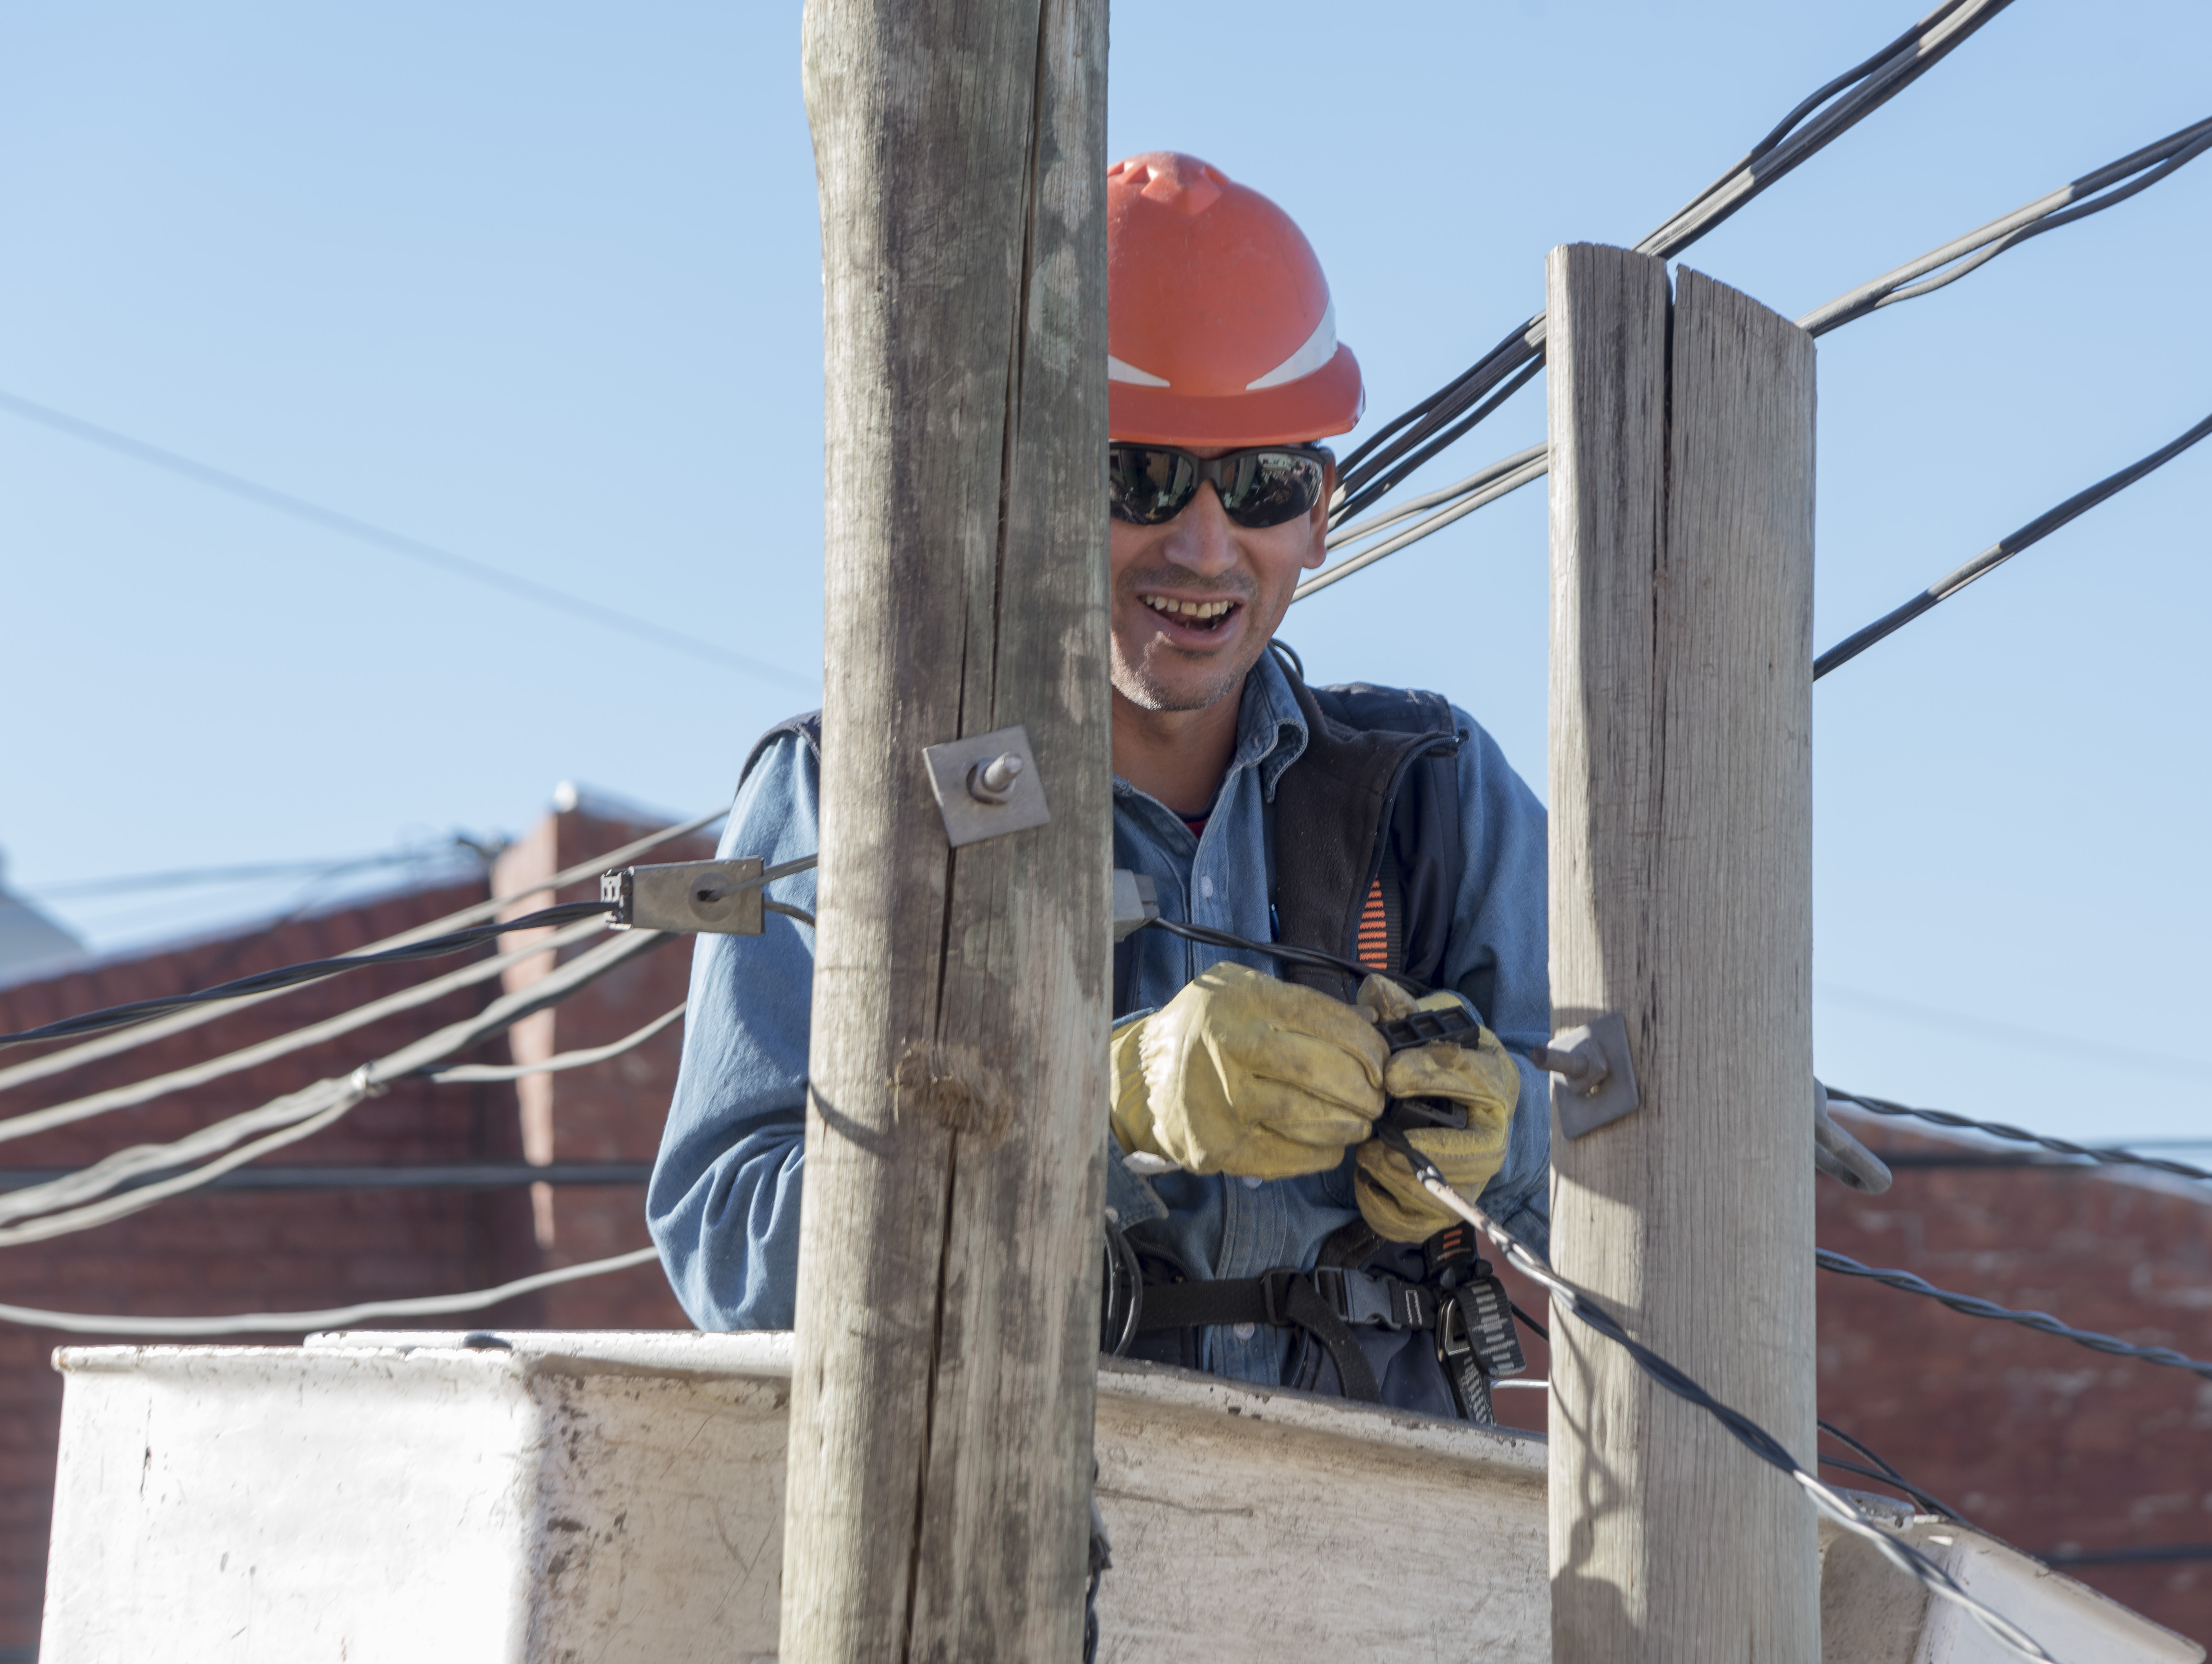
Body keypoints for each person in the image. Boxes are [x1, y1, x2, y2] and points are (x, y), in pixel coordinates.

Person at [648, 151, 1550, 1421]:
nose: (1201, 544)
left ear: (1323, 514)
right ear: (1030, 490)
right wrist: (1090, 1098)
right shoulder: (866, 796)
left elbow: (1645, 1180)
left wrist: (1501, 1148)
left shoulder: (1429, 799)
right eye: (1138, 477)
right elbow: (728, 1245)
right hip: (1016, 1540)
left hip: (1375, 1549)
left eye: (1261, 485)